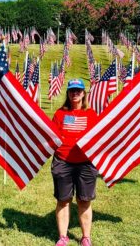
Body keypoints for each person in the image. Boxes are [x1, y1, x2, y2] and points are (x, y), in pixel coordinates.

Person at [51, 78, 98, 246]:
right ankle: (63, 237)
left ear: (84, 93)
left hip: (86, 164)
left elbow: (98, 138)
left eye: (78, 91)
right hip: (63, 161)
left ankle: (86, 237)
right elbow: (51, 136)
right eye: (72, 91)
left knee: (84, 200)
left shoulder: (91, 114)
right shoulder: (60, 114)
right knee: (63, 200)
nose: (75, 93)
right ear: (68, 93)